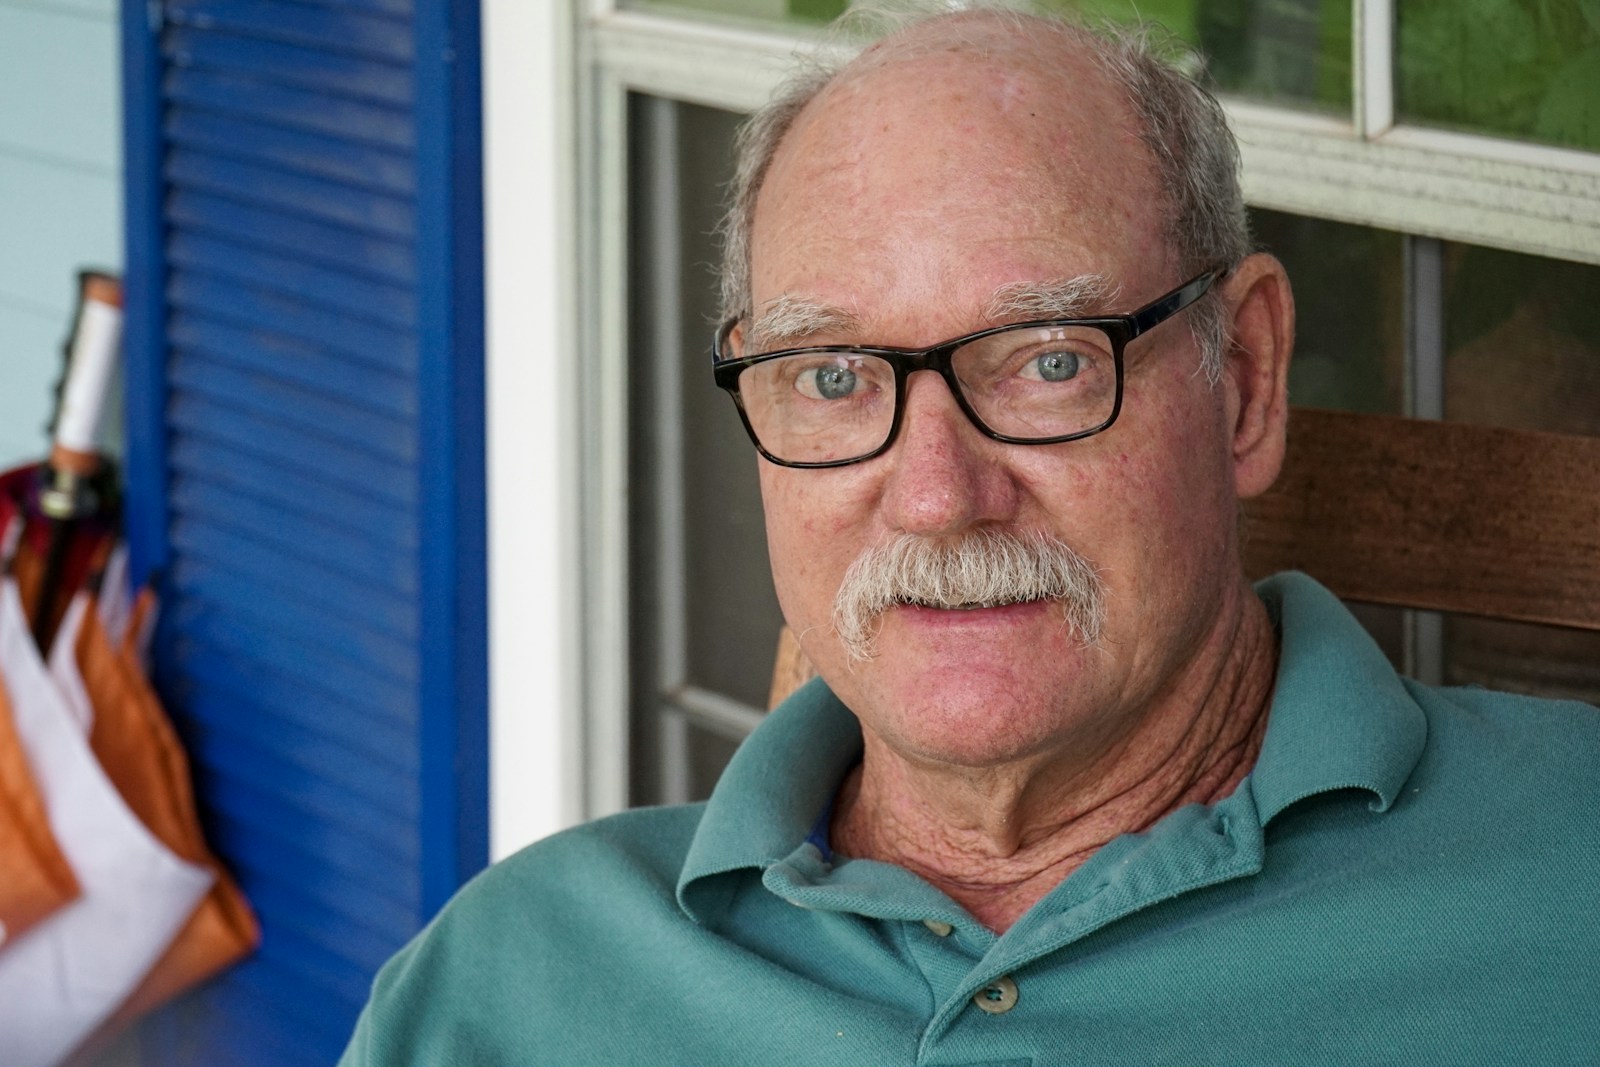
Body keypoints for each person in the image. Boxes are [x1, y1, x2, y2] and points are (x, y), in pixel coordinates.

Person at [340, 8, 1600, 1063]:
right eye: (833, 376)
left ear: (1246, 380)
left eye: (1048, 361)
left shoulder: (1567, 875)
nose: (938, 493)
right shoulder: (513, 977)